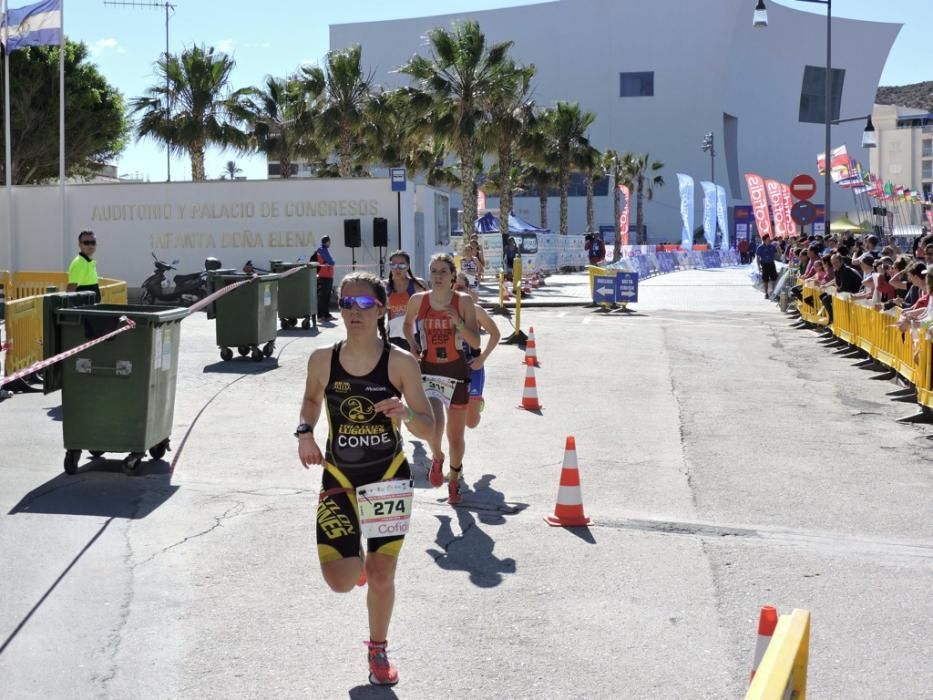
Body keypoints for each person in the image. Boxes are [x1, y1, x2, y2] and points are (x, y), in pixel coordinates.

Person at [297, 271, 434, 687]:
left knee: (380, 573)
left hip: (388, 479)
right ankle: (355, 553)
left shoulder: (400, 363)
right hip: (339, 475)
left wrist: (407, 415)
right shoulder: (322, 359)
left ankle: (377, 649)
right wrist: (305, 433)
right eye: (345, 304)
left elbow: (428, 426)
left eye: (362, 305)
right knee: (340, 581)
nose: (353, 312)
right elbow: (310, 400)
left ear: (380, 310)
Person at [403, 253, 481, 505]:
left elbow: (476, 342)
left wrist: (457, 322)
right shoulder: (418, 300)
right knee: (434, 423)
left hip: (457, 372)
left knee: (455, 436)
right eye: (433, 271)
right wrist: (413, 345)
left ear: (452, 276)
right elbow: (407, 324)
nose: (437, 276)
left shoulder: (464, 302)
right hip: (428, 369)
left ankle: (455, 479)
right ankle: (437, 457)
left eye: (443, 272)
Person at [454, 272, 500, 429]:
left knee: (471, 422)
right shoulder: (440, 311)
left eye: (460, 287)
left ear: (468, 290)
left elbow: (495, 334)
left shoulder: (476, 310)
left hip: (473, 364)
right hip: (450, 367)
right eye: (452, 287)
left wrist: (483, 357)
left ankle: (476, 401)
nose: (456, 291)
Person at [384, 250, 427, 351]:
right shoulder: (384, 286)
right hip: (394, 336)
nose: (397, 268)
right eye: (393, 265)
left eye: (402, 265)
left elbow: (430, 307)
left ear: (408, 267)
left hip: (416, 336)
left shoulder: (418, 285)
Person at [66, 230, 101, 302]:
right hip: (83, 310)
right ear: (80, 245)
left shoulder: (87, 261)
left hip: (90, 309)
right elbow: (70, 290)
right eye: (86, 243)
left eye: (93, 243)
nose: (90, 246)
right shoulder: (79, 263)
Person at [313, 236, 336, 322]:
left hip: (327, 276)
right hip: (324, 276)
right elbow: (331, 262)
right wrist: (333, 260)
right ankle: (320, 316)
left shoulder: (322, 250)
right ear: (327, 242)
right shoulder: (323, 250)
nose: (330, 243)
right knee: (323, 297)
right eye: (329, 242)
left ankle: (326, 315)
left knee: (326, 296)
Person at [755, 234, 779, 299]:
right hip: (764, 264)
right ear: (764, 240)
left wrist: (778, 248)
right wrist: (758, 267)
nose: (769, 240)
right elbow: (758, 258)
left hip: (771, 264)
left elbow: (778, 254)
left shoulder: (772, 246)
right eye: (768, 239)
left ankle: (774, 292)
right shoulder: (760, 248)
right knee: (765, 280)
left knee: (774, 278)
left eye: (769, 239)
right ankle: (766, 293)